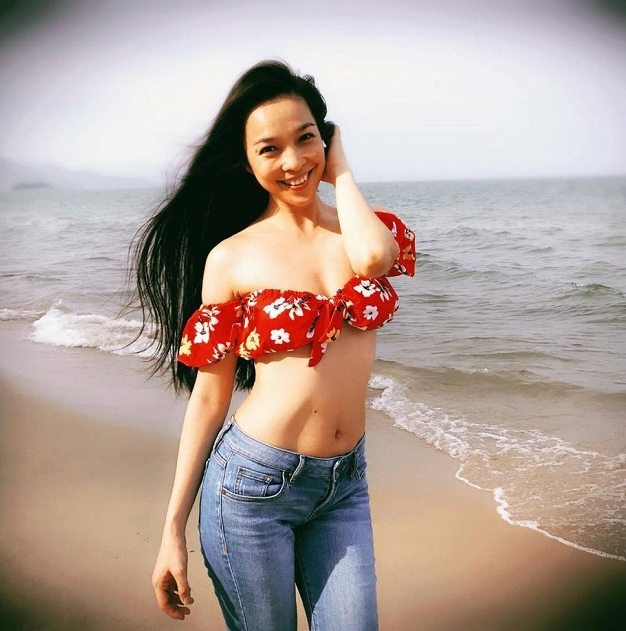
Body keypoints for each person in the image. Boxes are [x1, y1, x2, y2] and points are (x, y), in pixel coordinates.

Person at [133, 60, 415, 631]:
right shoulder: (232, 258)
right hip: (252, 488)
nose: (293, 161)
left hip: (345, 485)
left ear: (326, 137)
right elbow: (209, 398)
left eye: (306, 138)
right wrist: (172, 530)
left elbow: (373, 261)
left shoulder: (363, 231)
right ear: (247, 161)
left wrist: (342, 169)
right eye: (269, 149)